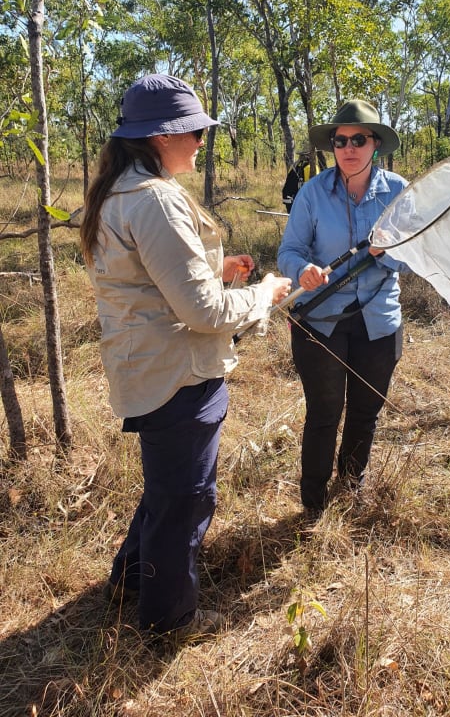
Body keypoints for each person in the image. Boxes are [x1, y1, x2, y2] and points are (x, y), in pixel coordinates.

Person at [80, 74, 291, 643]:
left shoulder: (123, 190)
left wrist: (217, 273)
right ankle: (168, 620)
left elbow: (148, 282)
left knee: (166, 488)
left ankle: (130, 580)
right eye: (193, 130)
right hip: (178, 375)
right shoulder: (155, 200)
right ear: (160, 136)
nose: (200, 140)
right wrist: (263, 294)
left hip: (149, 368)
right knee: (187, 500)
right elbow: (201, 313)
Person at [277, 100, 409, 515]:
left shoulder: (399, 191)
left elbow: (415, 255)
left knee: (365, 412)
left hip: (380, 321)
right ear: (331, 146)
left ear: (375, 144)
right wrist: (303, 271)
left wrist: (385, 253)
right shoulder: (313, 193)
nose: (349, 147)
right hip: (320, 321)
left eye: (358, 139)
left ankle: (351, 488)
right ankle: (313, 503)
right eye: (340, 140)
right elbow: (289, 251)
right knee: (324, 412)